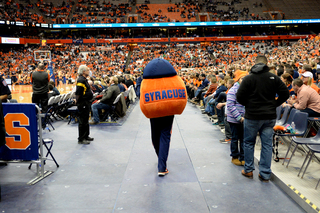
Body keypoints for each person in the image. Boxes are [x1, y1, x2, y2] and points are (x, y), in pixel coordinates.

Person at [237, 55, 289, 182]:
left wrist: (249, 105)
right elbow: (285, 94)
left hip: (252, 116)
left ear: (255, 63)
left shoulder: (248, 78)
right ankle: (265, 173)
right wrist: (274, 104)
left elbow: (239, 97)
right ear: (267, 64)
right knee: (266, 144)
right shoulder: (274, 78)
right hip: (269, 116)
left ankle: (248, 170)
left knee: (249, 143)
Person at [140, 58, 187, 177]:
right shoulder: (173, 77)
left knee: (155, 134)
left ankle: (160, 157)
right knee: (165, 135)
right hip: (168, 108)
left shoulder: (147, 80)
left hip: (153, 106)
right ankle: (162, 165)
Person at [226, 71, 247, 166]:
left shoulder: (248, 90)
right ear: (238, 79)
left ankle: (243, 157)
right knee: (235, 138)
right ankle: (234, 156)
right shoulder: (232, 91)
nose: (244, 80)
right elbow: (230, 106)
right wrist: (239, 117)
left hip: (245, 119)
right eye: (242, 78)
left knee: (243, 139)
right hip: (234, 119)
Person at [75, 65, 94, 145]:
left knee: (86, 120)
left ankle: (86, 136)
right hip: (83, 103)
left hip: (86, 103)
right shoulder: (80, 80)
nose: (89, 71)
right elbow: (78, 93)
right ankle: (81, 138)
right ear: (83, 71)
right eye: (87, 70)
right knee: (82, 121)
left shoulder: (84, 79)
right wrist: (78, 101)